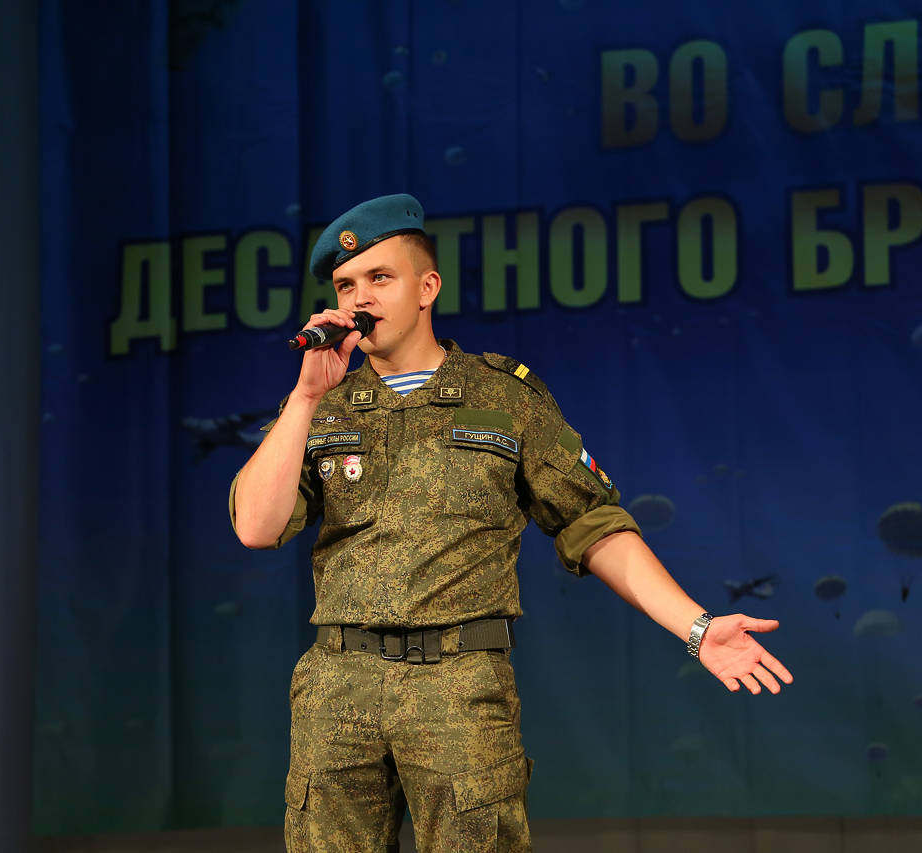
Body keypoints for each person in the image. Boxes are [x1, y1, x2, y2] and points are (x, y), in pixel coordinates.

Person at [230, 194, 792, 853]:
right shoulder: (324, 406)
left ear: (427, 288)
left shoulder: (502, 395)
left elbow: (593, 522)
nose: (360, 298)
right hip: (338, 686)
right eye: (346, 285)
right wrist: (305, 397)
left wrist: (696, 628)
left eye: (380, 278)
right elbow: (256, 527)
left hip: (458, 683)